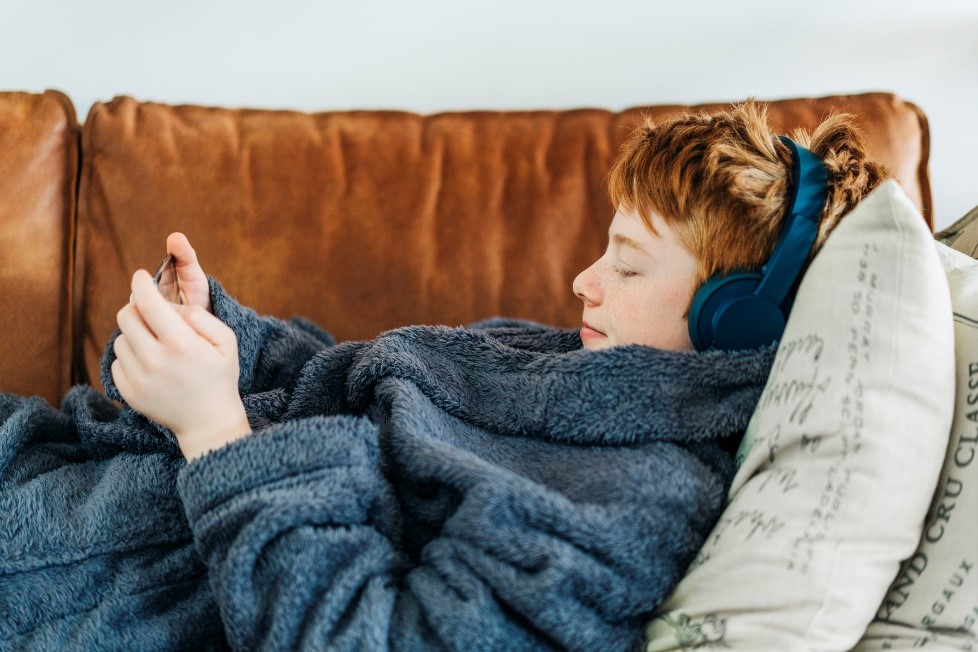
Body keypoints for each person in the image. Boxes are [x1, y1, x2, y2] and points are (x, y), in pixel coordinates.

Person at [1, 101, 887, 652]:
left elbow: (375, 637)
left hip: (88, 581)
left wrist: (216, 433)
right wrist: (220, 331)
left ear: (727, 320)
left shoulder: (633, 506)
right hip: (68, 466)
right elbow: (348, 379)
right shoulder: (568, 360)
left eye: (626, 264)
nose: (583, 281)